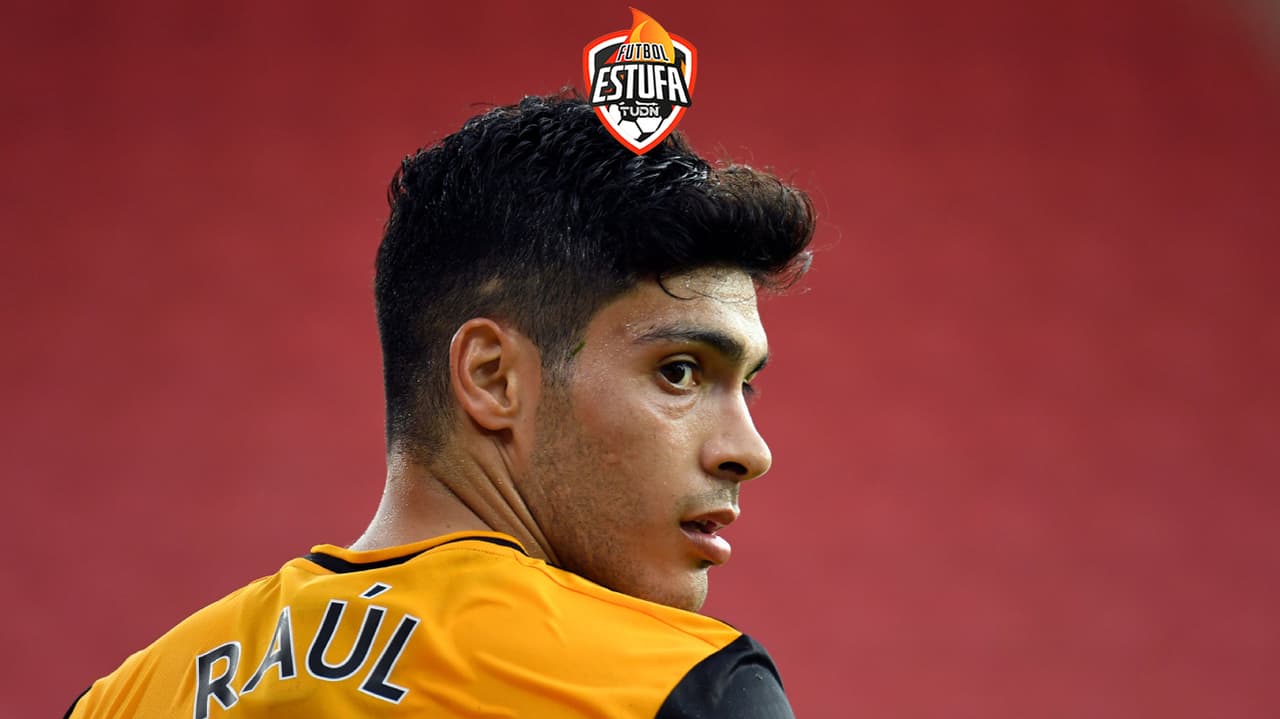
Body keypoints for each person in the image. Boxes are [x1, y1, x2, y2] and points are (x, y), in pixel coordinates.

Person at [65, 93, 815, 718]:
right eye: (680, 372)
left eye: (745, 384)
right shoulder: (680, 687)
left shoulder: (125, 698)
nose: (750, 451)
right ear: (492, 378)